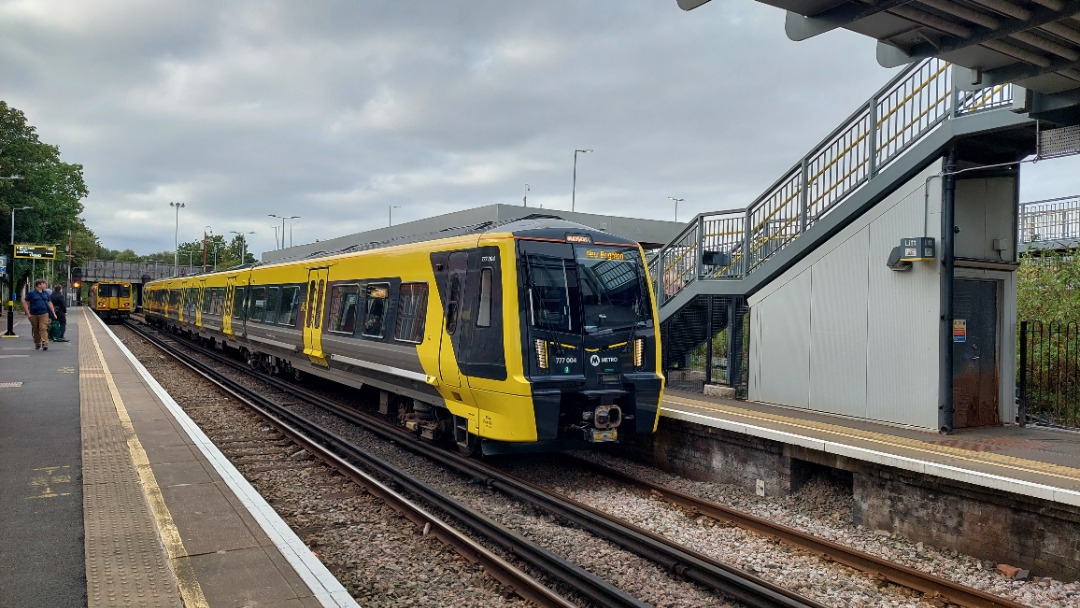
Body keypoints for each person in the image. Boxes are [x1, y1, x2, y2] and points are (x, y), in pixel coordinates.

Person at [22, 279, 57, 351]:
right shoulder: (32, 293)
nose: (46, 285)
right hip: (34, 314)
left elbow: (49, 303)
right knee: (36, 329)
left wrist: (53, 312)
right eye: (44, 284)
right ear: (39, 285)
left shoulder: (46, 293)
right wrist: (28, 313)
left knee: (43, 327)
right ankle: (37, 342)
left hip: (44, 313)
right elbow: (25, 302)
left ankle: (45, 343)